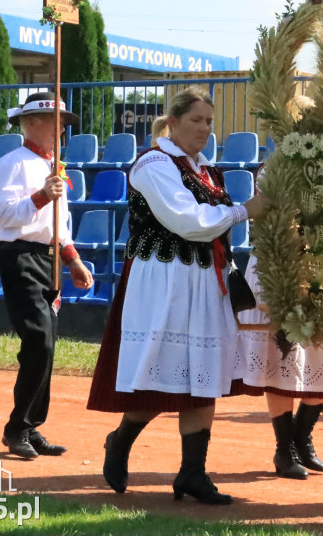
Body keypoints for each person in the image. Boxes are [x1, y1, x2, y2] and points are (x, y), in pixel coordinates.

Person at [87, 86, 270, 504]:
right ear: (172, 122)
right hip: (162, 281)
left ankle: (192, 473)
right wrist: (245, 210)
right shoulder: (153, 164)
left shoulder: (208, 169)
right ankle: (120, 440)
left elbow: (212, 232)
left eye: (209, 122)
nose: (205, 129)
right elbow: (188, 221)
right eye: (196, 121)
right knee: (161, 374)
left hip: (206, 281)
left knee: (203, 375)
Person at [0, 92, 94, 459]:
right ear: (31, 123)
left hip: (49, 261)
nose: (62, 129)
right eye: (56, 121)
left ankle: (32, 425)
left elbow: (59, 225)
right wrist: (40, 196)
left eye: (64, 123)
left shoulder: (56, 166)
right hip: (20, 257)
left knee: (47, 345)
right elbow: (4, 217)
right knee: (39, 341)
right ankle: (17, 427)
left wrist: (73, 260)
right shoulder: (13, 164)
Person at [237, 183, 323, 480]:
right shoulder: (276, 171)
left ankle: (301, 437)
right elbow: (270, 225)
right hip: (280, 267)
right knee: (282, 360)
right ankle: (283, 448)